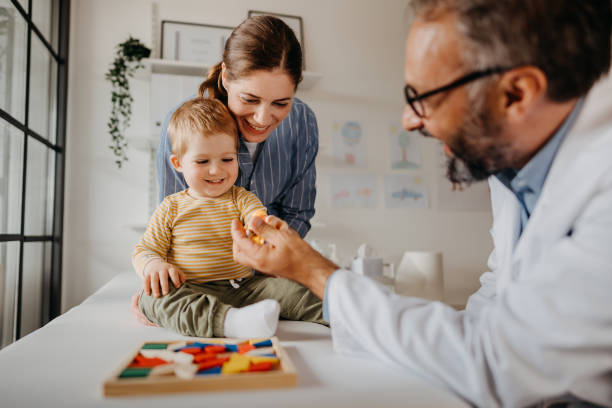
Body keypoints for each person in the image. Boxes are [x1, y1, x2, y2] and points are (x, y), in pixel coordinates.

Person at [230, 0, 612, 406]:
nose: (409, 121)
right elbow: (497, 295)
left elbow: (505, 363)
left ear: (517, 93)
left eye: (423, 96)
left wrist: (314, 271)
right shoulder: (514, 168)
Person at [133, 97, 325, 339]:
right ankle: (230, 323)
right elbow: (145, 250)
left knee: (298, 290)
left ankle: (341, 317)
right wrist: (153, 265)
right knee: (150, 299)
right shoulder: (170, 207)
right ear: (178, 163)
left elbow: (257, 217)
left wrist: (262, 230)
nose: (217, 170)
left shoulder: (241, 198)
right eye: (203, 161)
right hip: (189, 289)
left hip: (243, 288)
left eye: (227, 159)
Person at [157, 14, 318, 243]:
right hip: (202, 266)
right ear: (225, 78)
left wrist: (264, 261)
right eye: (250, 99)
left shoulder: (302, 121)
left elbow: (298, 213)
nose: (262, 119)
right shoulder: (182, 126)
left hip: (271, 264)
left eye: (281, 103)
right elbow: (172, 220)